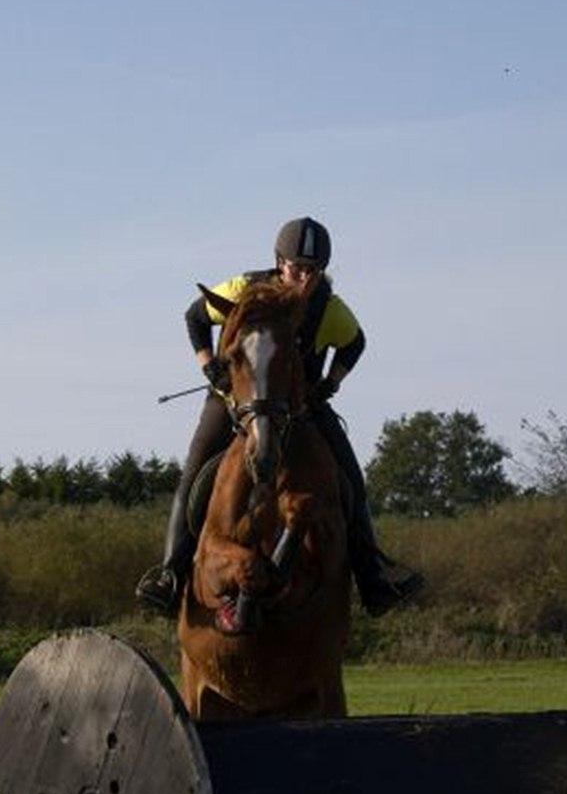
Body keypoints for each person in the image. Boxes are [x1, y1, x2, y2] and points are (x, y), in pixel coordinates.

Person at [136, 216, 423, 618]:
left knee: (350, 480)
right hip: (233, 400)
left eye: (312, 271)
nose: (303, 278)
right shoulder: (242, 289)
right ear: (278, 261)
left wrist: (331, 383)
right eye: (295, 268)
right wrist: (209, 367)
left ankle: (373, 577)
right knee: (194, 472)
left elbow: (355, 344)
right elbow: (195, 318)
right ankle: (170, 575)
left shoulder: (328, 309)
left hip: (298, 407)